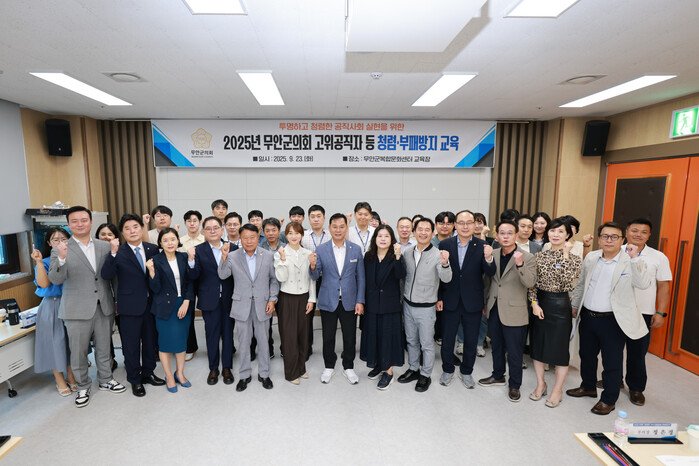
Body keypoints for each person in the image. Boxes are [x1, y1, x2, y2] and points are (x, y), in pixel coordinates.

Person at [567, 222, 651, 415]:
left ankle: (608, 399)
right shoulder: (592, 257)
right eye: (605, 236)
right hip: (588, 316)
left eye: (614, 237)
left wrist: (635, 259)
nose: (609, 240)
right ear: (599, 239)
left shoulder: (631, 260)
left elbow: (643, 284)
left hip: (613, 321)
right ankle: (588, 386)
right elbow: (582, 284)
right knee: (586, 355)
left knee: (611, 361)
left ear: (622, 240)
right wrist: (575, 305)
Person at [49, 206, 126, 408]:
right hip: (75, 309)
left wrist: (117, 300)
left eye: (84, 220)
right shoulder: (60, 248)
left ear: (91, 222)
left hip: (103, 304)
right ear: (68, 225)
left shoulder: (104, 246)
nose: (80, 224)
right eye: (74, 221)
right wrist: (62, 259)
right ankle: (83, 386)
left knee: (104, 347)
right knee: (79, 352)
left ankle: (106, 379)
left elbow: (113, 277)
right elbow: (55, 279)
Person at [101, 214, 164, 397]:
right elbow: (106, 275)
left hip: (151, 305)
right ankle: (135, 379)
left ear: (142, 229)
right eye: (127, 228)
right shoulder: (117, 252)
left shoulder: (152, 249)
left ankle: (148, 373)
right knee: (131, 345)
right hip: (129, 306)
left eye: (135, 226)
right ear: (122, 233)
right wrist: (113, 254)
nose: (132, 231)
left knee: (150, 342)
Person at [478, 220, 536, 402]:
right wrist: (485, 303)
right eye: (502, 233)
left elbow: (530, 283)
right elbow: (487, 281)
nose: (505, 236)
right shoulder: (492, 254)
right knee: (496, 346)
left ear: (516, 235)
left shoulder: (527, 257)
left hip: (515, 310)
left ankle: (515, 385)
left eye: (509, 233)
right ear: (497, 236)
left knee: (515, 351)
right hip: (494, 307)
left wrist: (520, 265)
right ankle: (498, 375)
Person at [438, 210, 496, 388]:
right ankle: (447, 370)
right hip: (450, 299)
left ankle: (466, 371)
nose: (465, 226)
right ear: (455, 225)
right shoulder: (445, 244)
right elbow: (438, 274)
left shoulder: (483, 245)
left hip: (473, 301)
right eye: (461, 223)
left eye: (469, 222)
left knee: (471, 340)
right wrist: (439, 297)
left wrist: (489, 258)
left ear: (474, 225)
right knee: (448, 339)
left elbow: (490, 272)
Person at [218, 224, 279, 391]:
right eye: (245, 238)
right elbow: (223, 274)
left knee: (263, 341)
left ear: (258, 237)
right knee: (244, 342)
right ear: (240, 238)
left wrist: (272, 299)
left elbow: (274, 280)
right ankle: (244, 375)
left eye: (252, 237)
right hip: (241, 304)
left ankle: (264, 374)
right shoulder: (233, 255)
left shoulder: (267, 255)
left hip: (263, 304)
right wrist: (223, 257)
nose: (249, 241)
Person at [529, 217, 581, 408]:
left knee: (559, 350)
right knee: (538, 346)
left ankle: (557, 389)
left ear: (568, 235)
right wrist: (534, 303)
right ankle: (541, 384)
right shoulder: (539, 257)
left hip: (560, 305)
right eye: (552, 230)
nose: (555, 234)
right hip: (540, 303)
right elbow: (532, 284)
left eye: (560, 231)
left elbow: (567, 281)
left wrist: (566, 254)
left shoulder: (574, 259)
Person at [620, 218, 672, 406]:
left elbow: (664, 286)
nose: (638, 235)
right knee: (612, 350)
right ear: (626, 232)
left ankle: (636, 388)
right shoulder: (616, 251)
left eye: (644, 232)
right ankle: (614, 379)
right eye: (634, 230)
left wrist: (661, 312)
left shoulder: (658, 257)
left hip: (643, 312)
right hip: (615, 309)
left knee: (637, 352)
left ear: (649, 235)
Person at [310, 213, 366, 385]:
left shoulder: (355, 249)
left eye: (342, 226)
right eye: (334, 227)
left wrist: (360, 300)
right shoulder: (321, 249)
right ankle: (329, 366)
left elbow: (361, 277)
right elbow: (315, 276)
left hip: (350, 300)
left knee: (350, 337)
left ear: (346, 228)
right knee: (328, 336)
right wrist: (312, 266)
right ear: (329, 228)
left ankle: (348, 366)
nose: (338, 230)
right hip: (328, 300)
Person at [397, 218, 452, 392]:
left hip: (426, 307)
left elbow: (446, 278)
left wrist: (445, 263)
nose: (423, 233)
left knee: (427, 344)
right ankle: (413, 368)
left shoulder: (438, 254)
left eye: (427, 229)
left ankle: (425, 374)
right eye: (420, 229)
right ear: (414, 232)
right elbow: (403, 278)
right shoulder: (407, 252)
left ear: (432, 232)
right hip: (408, 304)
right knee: (411, 340)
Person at [187, 216, 236, 386]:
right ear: (203, 231)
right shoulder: (198, 251)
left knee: (228, 334)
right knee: (212, 334)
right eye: (208, 228)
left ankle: (227, 367)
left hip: (229, 299)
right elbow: (193, 276)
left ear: (222, 230)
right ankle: (213, 368)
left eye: (216, 227)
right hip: (209, 299)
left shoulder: (233, 248)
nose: (213, 231)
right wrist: (191, 260)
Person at [146, 228, 195, 393]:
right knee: (165, 344)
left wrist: (187, 301)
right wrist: (151, 272)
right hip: (164, 307)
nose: (169, 243)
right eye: (165, 240)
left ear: (178, 240)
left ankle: (179, 373)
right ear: (160, 243)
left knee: (181, 342)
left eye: (172, 239)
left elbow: (191, 281)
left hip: (183, 304)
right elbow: (155, 289)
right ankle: (169, 376)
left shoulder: (184, 257)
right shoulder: (155, 260)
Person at [31, 227, 77, 396]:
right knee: (54, 344)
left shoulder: (75, 258)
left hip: (72, 304)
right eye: (55, 240)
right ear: (49, 243)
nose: (60, 243)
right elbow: (43, 284)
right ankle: (59, 379)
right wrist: (38, 262)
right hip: (52, 305)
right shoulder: (44, 261)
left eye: (64, 239)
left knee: (71, 344)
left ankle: (71, 376)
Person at [360, 225, 406, 390]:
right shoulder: (369, 256)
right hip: (372, 304)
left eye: (386, 236)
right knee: (375, 336)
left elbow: (401, 275)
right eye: (380, 236)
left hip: (390, 306)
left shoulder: (397, 256)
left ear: (392, 239)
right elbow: (364, 280)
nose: (383, 239)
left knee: (388, 339)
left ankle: (389, 372)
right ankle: (379, 365)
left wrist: (398, 256)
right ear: (375, 239)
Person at [273, 222, 316, 384]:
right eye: (290, 233)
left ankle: (301, 368)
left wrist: (311, 299)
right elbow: (281, 278)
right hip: (287, 298)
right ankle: (291, 373)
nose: (293, 236)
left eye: (297, 233)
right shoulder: (280, 253)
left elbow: (312, 279)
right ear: (286, 235)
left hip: (304, 297)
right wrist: (283, 259)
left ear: (301, 235)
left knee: (303, 335)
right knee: (289, 336)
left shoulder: (308, 253)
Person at [301, 204, 331, 358]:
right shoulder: (303, 236)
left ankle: (328, 349)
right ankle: (307, 348)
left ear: (324, 218)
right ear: (308, 218)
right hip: (309, 278)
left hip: (327, 279)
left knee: (328, 315)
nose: (316, 219)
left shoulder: (331, 235)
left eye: (319, 216)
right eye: (312, 216)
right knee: (307, 316)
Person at [178, 210, 205, 361]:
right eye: (189, 221)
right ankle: (190, 347)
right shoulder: (180, 241)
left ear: (200, 222)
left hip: (204, 281)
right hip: (186, 282)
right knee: (188, 315)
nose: (192, 223)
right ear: (185, 223)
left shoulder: (206, 240)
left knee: (209, 314)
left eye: (195, 220)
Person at [95, 222, 120, 370]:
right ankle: (109, 360)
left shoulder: (120, 252)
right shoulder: (92, 253)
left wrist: (117, 300)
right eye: (103, 234)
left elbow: (117, 281)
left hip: (119, 299)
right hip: (100, 299)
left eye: (110, 234)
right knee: (103, 334)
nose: (106, 237)